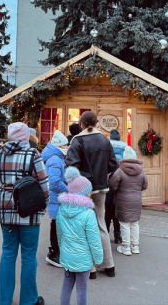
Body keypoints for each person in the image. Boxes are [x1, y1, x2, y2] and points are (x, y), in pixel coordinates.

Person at [0, 122, 49, 305]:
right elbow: (45, 185)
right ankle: (29, 300)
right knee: (29, 256)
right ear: (25, 136)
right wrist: (42, 206)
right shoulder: (33, 154)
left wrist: (7, 189)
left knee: (8, 254)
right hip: (30, 211)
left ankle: (4, 300)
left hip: (6, 210)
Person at [66, 111, 118, 279]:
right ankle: (109, 265)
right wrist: (102, 175)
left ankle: (92, 269)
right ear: (96, 123)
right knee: (100, 223)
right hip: (102, 187)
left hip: (84, 189)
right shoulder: (105, 139)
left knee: (86, 227)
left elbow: (71, 167)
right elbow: (113, 165)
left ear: (81, 124)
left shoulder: (77, 141)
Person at [57, 167, 103, 305]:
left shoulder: (61, 209)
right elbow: (94, 239)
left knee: (66, 285)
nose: (90, 194)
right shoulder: (88, 214)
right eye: (88, 192)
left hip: (67, 256)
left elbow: (59, 234)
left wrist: (62, 250)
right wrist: (98, 258)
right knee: (82, 288)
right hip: (83, 259)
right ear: (83, 194)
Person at [108, 146, 148, 256]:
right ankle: (135, 246)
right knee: (135, 223)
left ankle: (126, 247)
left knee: (125, 224)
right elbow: (145, 185)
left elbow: (112, 185)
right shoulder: (141, 171)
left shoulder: (120, 171)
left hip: (123, 200)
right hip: (136, 200)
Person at [41, 130, 69, 268]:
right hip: (57, 198)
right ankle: (53, 254)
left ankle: (55, 252)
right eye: (65, 146)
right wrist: (69, 190)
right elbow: (54, 182)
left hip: (56, 198)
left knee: (57, 225)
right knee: (57, 226)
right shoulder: (55, 160)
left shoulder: (55, 158)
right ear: (59, 146)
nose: (66, 148)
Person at [106, 130, 127, 244]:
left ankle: (105, 235)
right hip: (120, 186)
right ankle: (118, 236)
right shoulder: (124, 149)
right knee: (117, 214)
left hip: (108, 182)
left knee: (107, 213)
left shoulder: (106, 148)